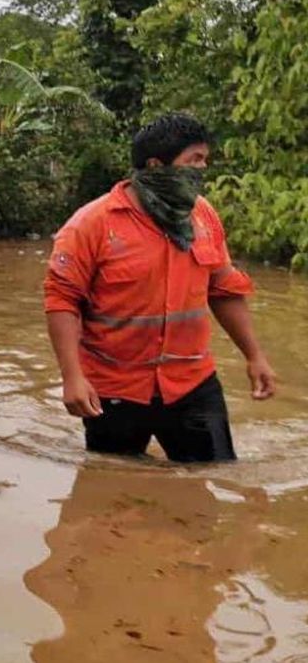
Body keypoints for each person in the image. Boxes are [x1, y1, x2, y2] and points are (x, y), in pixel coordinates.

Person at [44, 113, 276, 463]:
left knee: (211, 480)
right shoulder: (92, 224)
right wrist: (72, 377)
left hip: (192, 383)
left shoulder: (203, 217)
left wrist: (255, 356)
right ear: (156, 166)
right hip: (114, 389)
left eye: (204, 159)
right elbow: (62, 300)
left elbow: (223, 288)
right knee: (112, 494)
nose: (203, 169)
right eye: (193, 160)